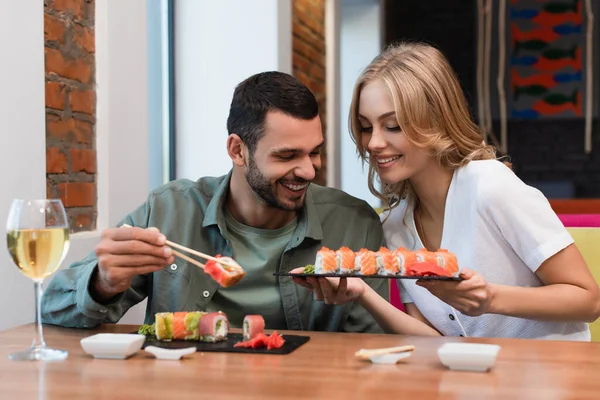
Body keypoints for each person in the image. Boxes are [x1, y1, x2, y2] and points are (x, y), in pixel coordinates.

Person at [293, 42, 600, 340]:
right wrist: (361, 292)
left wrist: (490, 298)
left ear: (435, 122)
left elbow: (588, 300)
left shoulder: (490, 186)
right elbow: (433, 338)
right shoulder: (395, 224)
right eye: (365, 126)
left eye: (393, 126)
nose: (373, 143)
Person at [41, 71, 388, 333]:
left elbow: (375, 347)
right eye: (287, 156)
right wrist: (102, 283)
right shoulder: (169, 210)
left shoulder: (354, 223)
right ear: (238, 150)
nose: (308, 170)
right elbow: (53, 309)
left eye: (314, 153)